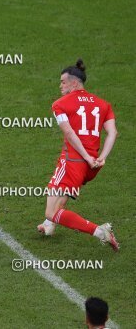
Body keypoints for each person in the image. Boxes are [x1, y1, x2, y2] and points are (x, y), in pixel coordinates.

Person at [37, 59, 119, 252]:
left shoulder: (60, 104)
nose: (60, 86)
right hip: (92, 166)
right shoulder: (103, 104)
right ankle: (49, 226)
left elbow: (70, 134)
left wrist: (85, 156)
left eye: (63, 82)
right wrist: (100, 158)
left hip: (74, 160)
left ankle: (100, 231)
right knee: (62, 191)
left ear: (74, 83)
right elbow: (113, 133)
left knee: (52, 211)